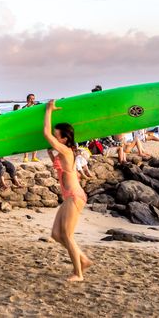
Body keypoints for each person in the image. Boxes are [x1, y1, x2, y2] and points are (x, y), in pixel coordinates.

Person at [43, 98, 91, 282]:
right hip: (69, 197)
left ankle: (78, 273)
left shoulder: (66, 150)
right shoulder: (64, 152)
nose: (54, 138)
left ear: (63, 139)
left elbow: (46, 133)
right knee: (56, 234)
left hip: (75, 196)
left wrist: (49, 110)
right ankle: (83, 259)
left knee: (68, 236)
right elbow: (62, 169)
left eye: (57, 136)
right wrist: (50, 155)